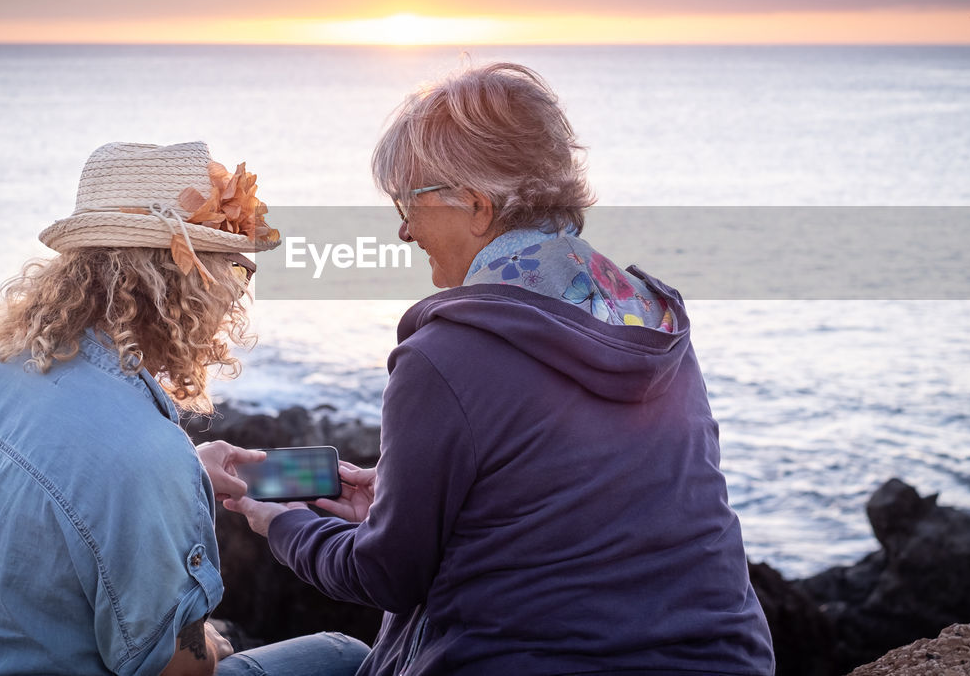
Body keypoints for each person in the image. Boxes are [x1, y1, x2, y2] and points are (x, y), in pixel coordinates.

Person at [230, 64, 775, 674]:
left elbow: (384, 574)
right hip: (727, 661)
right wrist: (394, 499)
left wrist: (282, 520)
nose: (404, 229)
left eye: (408, 202)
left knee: (329, 657)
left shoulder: (446, 356)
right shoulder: (651, 320)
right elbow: (572, 500)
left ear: (478, 206)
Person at [0, 141, 369, 676]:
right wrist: (211, 643)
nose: (237, 293)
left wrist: (189, 474)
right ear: (183, 277)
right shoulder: (145, 453)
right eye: (233, 266)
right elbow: (179, 671)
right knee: (343, 655)